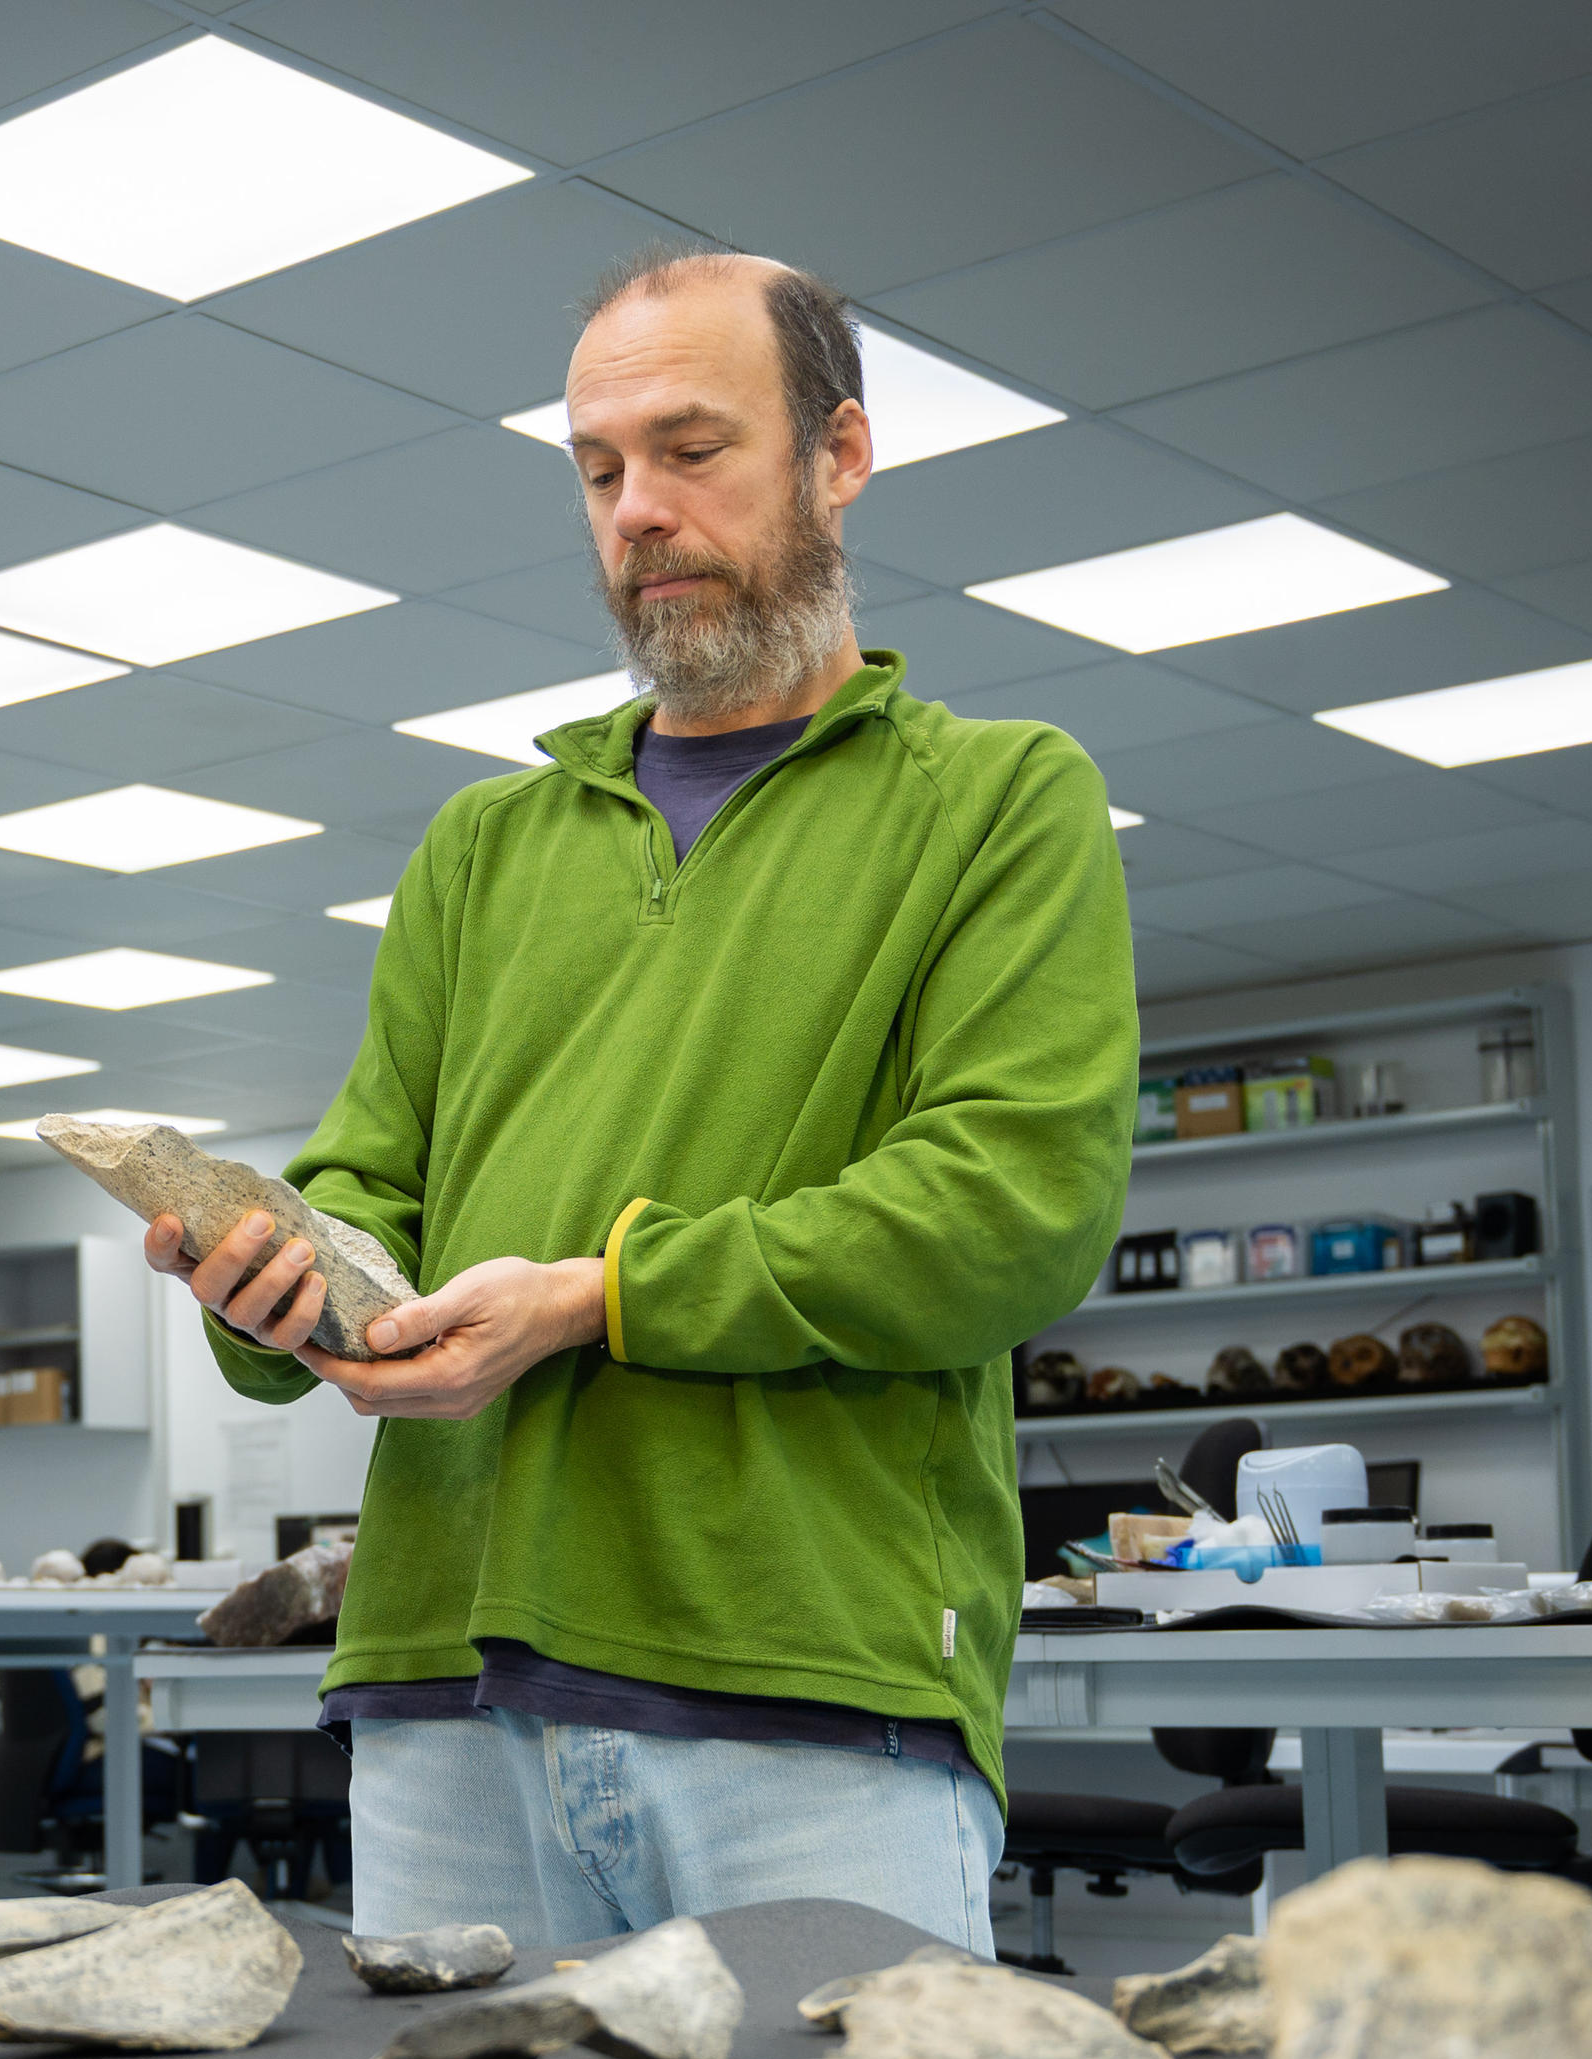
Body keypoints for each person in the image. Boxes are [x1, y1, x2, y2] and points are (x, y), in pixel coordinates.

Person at [143, 249, 1136, 1954]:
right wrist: (285, 1282)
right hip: (437, 1697)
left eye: (692, 451)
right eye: (599, 470)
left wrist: (596, 1297)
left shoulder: (1000, 802)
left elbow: (1008, 1210)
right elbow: (366, 1176)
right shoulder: (483, 849)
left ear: (839, 456)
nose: (637, 513)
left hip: (802, 1696)